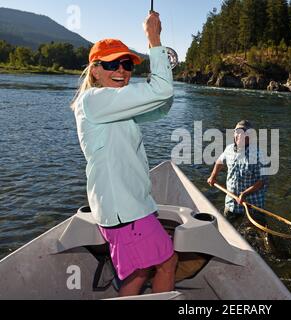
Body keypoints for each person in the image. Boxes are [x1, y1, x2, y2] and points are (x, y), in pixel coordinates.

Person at [71, 12, 177, 297]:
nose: (121, 69)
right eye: (111, 64)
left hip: (129, 209)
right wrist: (154, 39)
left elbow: (161, 105)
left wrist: (163, 75)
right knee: (165, 264)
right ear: (95, 70)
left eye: (127, 63)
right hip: (126, 212)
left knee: (140, 271)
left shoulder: (113, 105)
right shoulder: (95, 100)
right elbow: (160, 90)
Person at [207, 120, 269, 229]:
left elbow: (262, 181)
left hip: (253, 204)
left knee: (259, 233)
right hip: (232, 202)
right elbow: (220, 161)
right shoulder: (229, 149)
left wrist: (244, 194)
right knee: (226, 230)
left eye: (242, 132)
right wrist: (213, 176)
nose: (238, 135)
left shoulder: (260, 155)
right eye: (236, 131)